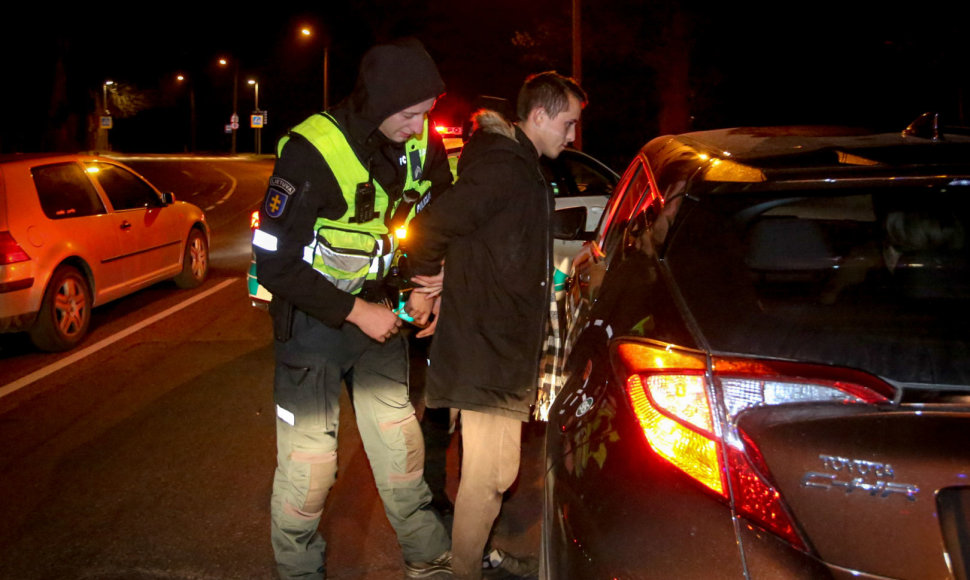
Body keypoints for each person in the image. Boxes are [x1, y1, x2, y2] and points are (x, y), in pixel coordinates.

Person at [252, 37, 454, 580]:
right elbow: (273, 263)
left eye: (426, 114)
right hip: (313, 326)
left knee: (400, 450)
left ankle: (429, 559)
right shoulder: (311, 151)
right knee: (309, 467)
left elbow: (436, 218)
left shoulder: (420, 141)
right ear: (380, 100)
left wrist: (424, 285)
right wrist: (355, 311)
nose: (420, 128)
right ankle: (298, 572)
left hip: (383, 320)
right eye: (411, 114)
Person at [404, 72, 588, 580]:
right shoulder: (506, 168)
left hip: (500, 343)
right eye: (568, 123)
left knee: (496, 473)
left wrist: (450, 280)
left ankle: (474, 556)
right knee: (489, 476)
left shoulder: (516, 165)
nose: (572, 135)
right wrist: (424, 285)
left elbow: (481, 241)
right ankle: (463, 569)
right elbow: (430, 229)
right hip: (488, 344)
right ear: (540, 115)